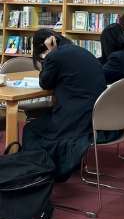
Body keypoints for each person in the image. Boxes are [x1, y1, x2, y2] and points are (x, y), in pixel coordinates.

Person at [22, 29, 107, 182]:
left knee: (31, 128)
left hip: (76, 117)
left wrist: (50, 52)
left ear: (43, 46)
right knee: (45, 119)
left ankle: (33, 170)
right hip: (96, 114)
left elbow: (44, 82)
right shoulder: (81, 51)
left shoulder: (55, 55)